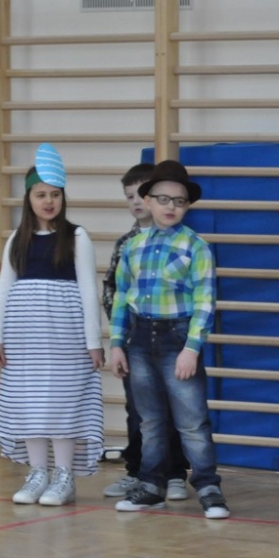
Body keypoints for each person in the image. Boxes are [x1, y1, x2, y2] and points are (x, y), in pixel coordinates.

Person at [109, 160, 230, 520]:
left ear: (187, 206)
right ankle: (151, 485)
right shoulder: (133, 247)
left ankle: (208, 486)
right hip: (140, 338)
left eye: (179, 201)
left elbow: (205, 302)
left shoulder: (196, 247)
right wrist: (117, 342)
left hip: (178, 337)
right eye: (162, 199)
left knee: (192, 421)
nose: (171, 206)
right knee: (149, 420)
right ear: (147, 201)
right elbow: (122, 296)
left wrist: (192, 348)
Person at [0, 143, 104, 505]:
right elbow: (4, 289)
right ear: (29, 198)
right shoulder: (16, 239)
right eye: (41, 195)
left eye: (55, 194)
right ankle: (38, 473)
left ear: (63, 197)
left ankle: (64, 476)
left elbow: (89, 291)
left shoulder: (77, 237)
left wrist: (93, 342)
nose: (49, 201)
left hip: (65, 338)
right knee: (30, 404)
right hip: (25, 340)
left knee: (62, 403)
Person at [101, 163, 190, 502]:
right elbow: (113, 289)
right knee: (138, 410)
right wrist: (121, 335)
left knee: (175, 407)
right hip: (135, 340)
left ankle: (176, 474)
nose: (137, 202)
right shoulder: (127, 243)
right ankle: (137, 472)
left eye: (142, 194)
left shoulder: (183, 241)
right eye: (130, 197)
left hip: (172, 339)